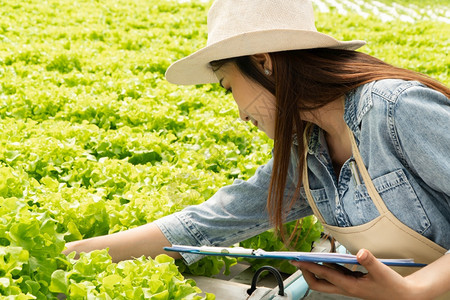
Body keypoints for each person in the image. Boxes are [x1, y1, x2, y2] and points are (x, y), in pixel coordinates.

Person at [64, 0, 450, 298]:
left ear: (263, 62)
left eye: (228, 88)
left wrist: (414, 290)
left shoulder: (394, 108)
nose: (239, 112)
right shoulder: (306, 151)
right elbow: (208, 222)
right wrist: (70, 255)